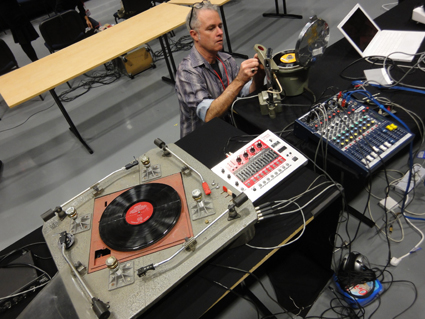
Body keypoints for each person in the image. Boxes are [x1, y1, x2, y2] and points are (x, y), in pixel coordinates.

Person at [175, 1, 265, 138]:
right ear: (194, 35)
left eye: (220, 26)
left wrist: (258, 77)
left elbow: (244, 95)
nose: (220, 33)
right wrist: (239, 80)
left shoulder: (226, 60)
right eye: (211, 28)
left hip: (228, 131)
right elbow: (209, 115)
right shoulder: (187, 72)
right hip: (201, 141)